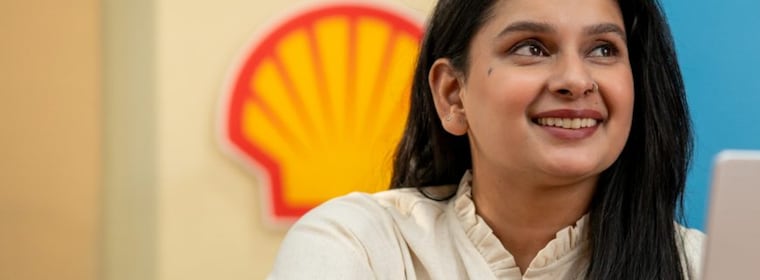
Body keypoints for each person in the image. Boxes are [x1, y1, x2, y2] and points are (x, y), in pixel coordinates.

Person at [268, 0, 703, 278]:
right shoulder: (359, 244)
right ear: (452, 94)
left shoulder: (702, 265)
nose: (576, 79)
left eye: (603, 49)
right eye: (532, 47)